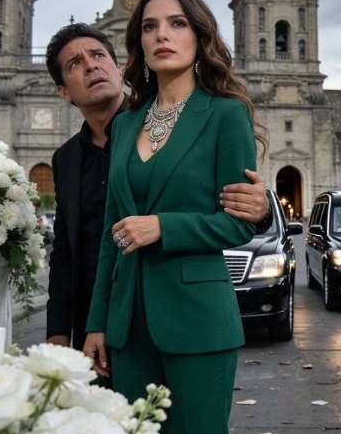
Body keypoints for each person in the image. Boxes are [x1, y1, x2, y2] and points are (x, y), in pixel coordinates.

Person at [83, 0, 265, 434]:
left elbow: (238, 221)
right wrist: (97, 323)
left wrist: (164, 226)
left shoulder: (226, 115)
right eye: (150, 26)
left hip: (198, 321)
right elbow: (111, 234)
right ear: (138, 43)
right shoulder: (125, 124)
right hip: (128, 326)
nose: (162, 34)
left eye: (177, 23)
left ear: (199, 35)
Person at [45, 23, 269, 352]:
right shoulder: (65, 159)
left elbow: (226, 206)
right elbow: (64, 250)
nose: (91, 66)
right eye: (75, 63)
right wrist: (58, 331)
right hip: (96, 323)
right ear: (64, 91)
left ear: (118, 68)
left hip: (166, 312)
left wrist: (261, 210)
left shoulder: (174, 126)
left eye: (98, 55)